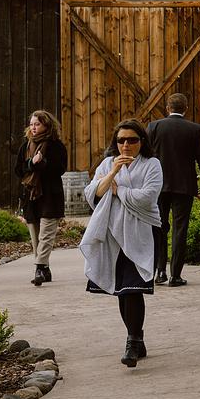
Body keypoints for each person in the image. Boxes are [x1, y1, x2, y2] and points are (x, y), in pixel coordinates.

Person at [81, 119, 163, 367]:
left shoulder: (152, 165)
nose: (126, 145)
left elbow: (147, 198)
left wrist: (118, 192)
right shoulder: (107, 163)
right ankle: (136, 339)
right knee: (121, 291)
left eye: (132, 140)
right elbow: (93, 193)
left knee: (133, 290)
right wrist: (114, 173)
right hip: (112, 234)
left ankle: (133, 342)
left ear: (142, 142)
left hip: (142, 233)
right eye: (121, 140)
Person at [147, 93, 200, 287]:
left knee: (159, 228)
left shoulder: (154, 127)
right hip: (184, 186)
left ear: (167, 108)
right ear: (186, 108)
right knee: (179, 230)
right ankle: (175, 275)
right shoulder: (194, 129)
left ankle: (159, 272)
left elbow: (146, 156)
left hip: (158, 185)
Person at [15, 110, 68, 287]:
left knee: (46, 235)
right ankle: (45, 269)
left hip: (50, 195)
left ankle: (38, 268)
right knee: (36, 238)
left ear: (46, 125)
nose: (33, 127)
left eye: (37, 124)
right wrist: (31, 163)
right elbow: (18, 170)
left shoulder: (56, 146)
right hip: (31, 196)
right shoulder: (26, 146)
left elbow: (60, 169)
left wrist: (43, 163)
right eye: (31, 124)